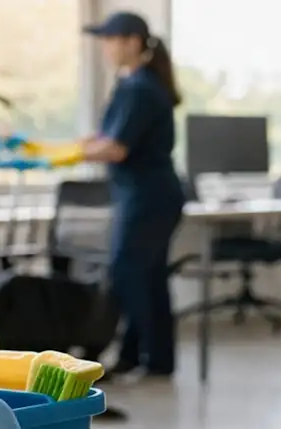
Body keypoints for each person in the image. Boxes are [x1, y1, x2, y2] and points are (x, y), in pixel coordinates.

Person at [82, 12, 186, 380]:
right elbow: (104, 140)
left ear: (131, 41)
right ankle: (149, 359)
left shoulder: (140, 88)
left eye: (110, 40)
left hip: (149, 196)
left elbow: (115, 148)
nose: (105, 48)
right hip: (145, 195)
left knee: (128, 274)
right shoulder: (132, 84)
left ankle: (139, 355)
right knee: (148, 277)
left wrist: (67, 156)